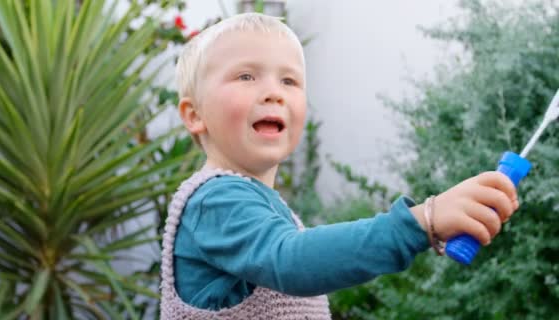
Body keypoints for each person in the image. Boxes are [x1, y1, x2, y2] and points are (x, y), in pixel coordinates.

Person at [159, 12, 519, 320]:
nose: (274, 92)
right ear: (195, 115)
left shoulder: (259, 205)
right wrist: (422, 221)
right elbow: (292, 262)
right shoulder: (217, 200)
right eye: (246, 76)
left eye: (289, 80)